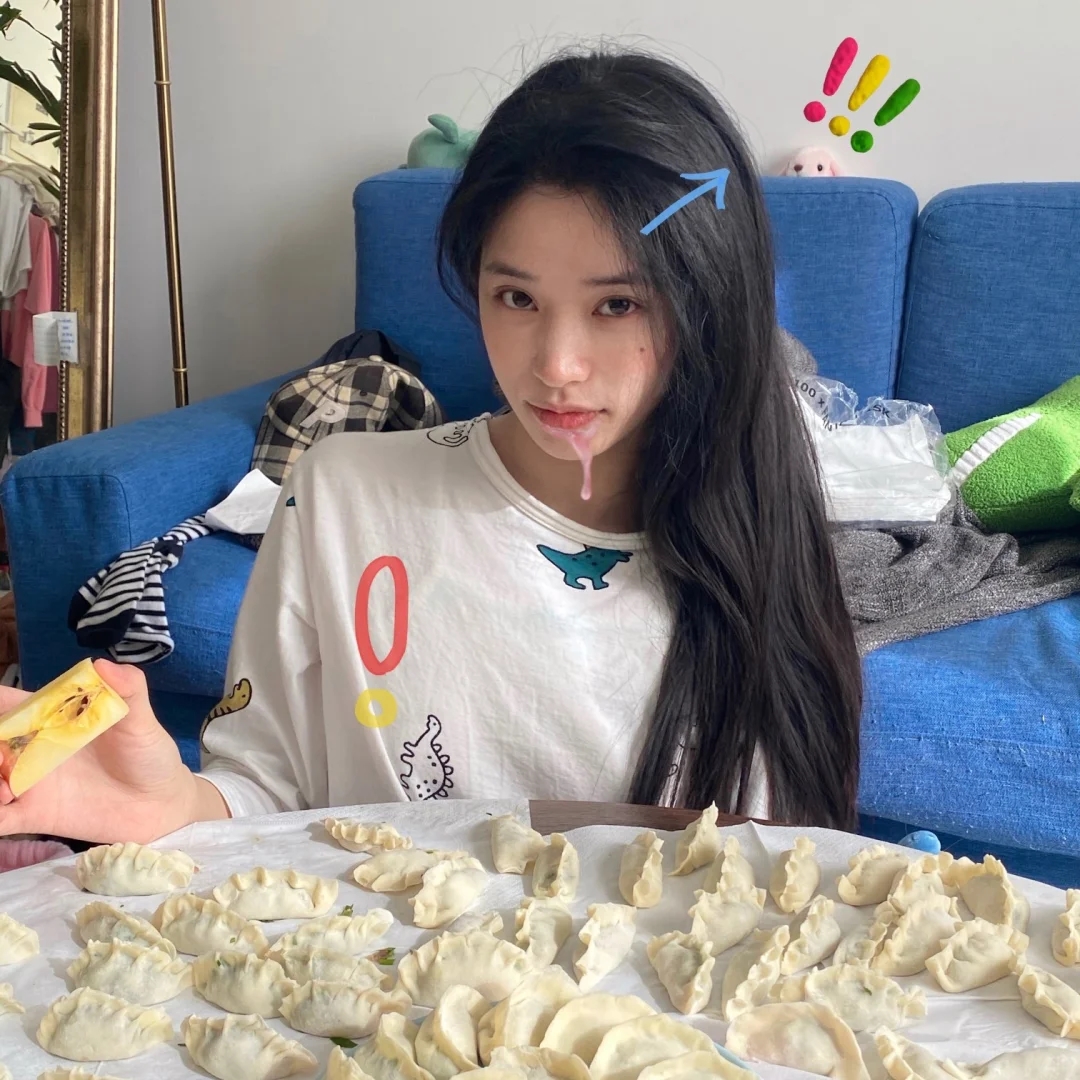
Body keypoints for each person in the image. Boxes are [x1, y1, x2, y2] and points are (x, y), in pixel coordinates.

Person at [0, 46, 861, 845]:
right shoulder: (342, 495)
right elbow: (265, 791)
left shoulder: (763, 532)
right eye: (516, 298)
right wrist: (172, 807)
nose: (556, 366)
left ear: (709, 303)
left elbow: (784, 862)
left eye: (617, 305)